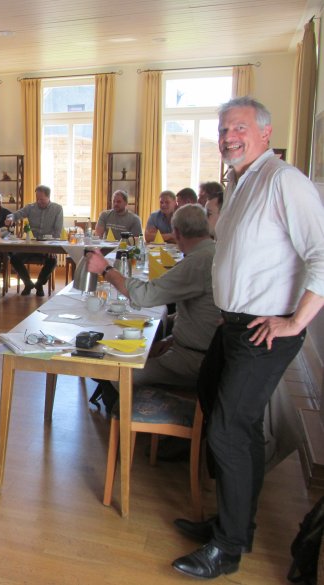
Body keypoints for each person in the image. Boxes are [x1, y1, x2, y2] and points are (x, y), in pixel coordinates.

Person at [171, 97, 324, 580]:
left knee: (227, 430)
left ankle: (229, 547)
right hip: (236, 323)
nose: (227, 137)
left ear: (265, 131)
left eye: (238, 127)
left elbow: (322, 254)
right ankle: (236, 521)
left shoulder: (283, 180)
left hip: (267, 328)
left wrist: (295, 322)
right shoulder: (242, 181)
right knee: (225, 413)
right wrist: (230, 308)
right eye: (222, 130)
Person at [87, 204, 220, 391]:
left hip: (193, 361)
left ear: (177, 233)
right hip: (199, 351)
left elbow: (144, 296)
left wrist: (105, 269)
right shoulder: (213, 253)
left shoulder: (198, 262)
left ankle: (126, 416)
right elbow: (199, 315)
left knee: (118, 375)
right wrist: (170, 339)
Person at [6, 185, 64, 296]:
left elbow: (57, 232)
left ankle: (39, 284)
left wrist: (52, 247)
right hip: (31, 245)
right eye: (37, 198)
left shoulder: (57, 209)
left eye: (41, 199)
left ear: (48, 197)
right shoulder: (31, 207)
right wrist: (10, 218)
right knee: (14, 259)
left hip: (47, 245)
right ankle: (28, 283)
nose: (38, 201)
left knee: (52, 261)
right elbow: (16, 215)